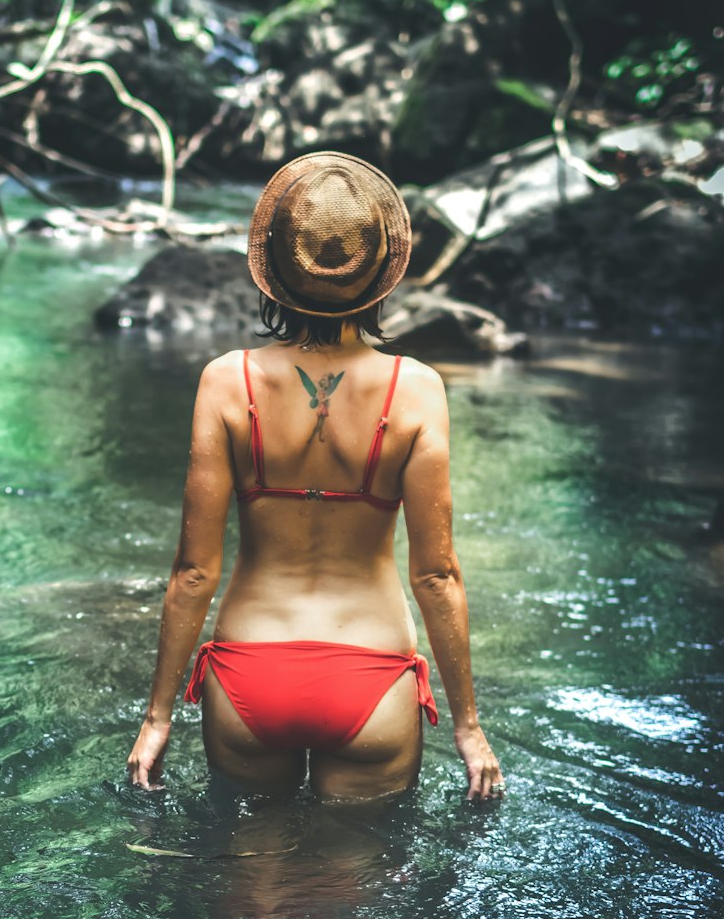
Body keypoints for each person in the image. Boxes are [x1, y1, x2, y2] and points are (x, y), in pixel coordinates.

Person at [127, 151, 504, 803]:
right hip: (373, 674)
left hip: (250, 672)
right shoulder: (415, 391)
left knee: (255, 888)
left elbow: (194, 571)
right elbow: (436, 575)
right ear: (382, 272)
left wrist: (157, 717)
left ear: (272, 268)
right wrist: (468, 727)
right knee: (352, 894)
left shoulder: (226, 381)